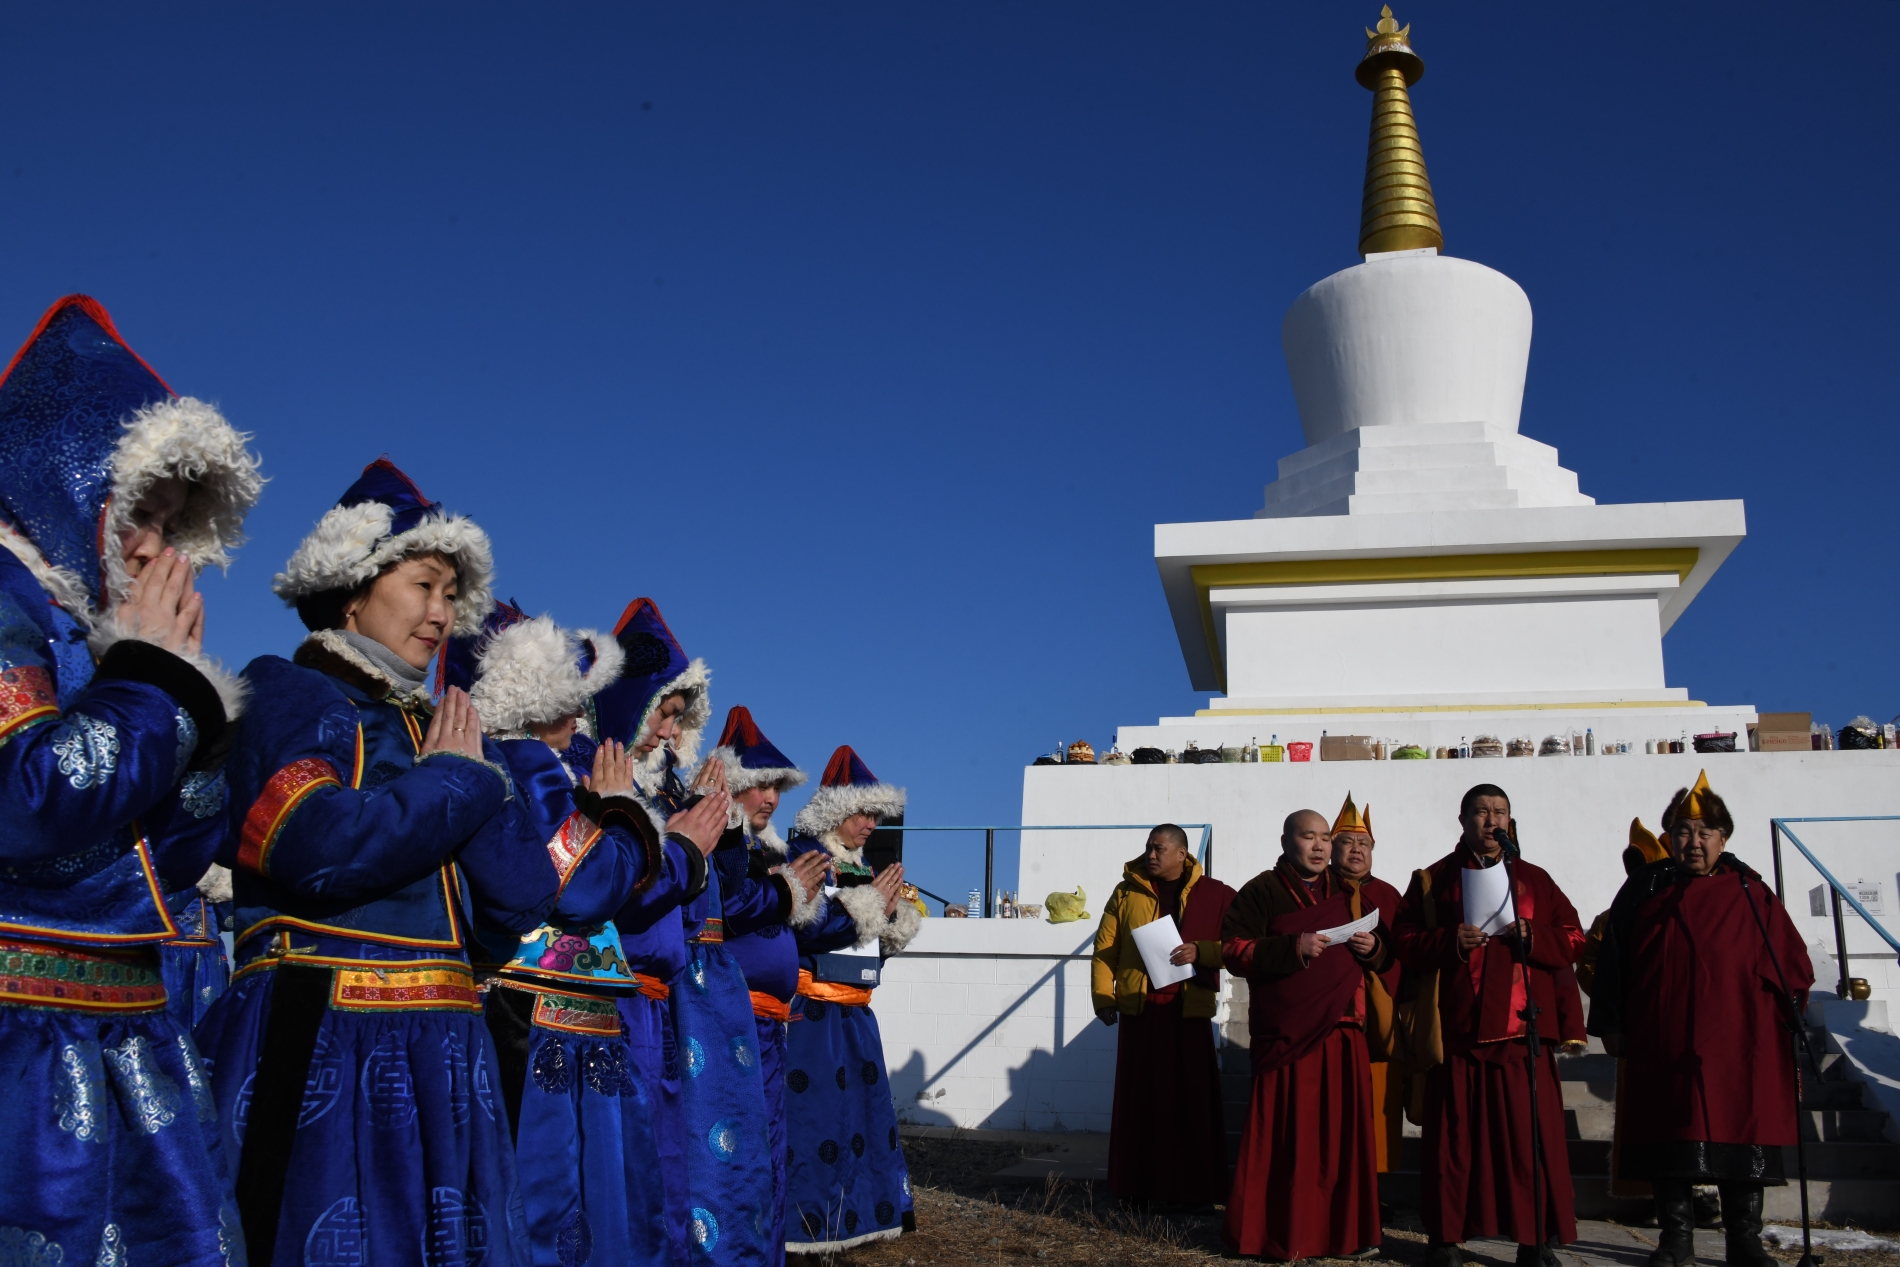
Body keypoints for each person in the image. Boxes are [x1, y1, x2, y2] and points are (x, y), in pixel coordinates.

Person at [200, 457, 561, 1267]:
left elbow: (526, 896)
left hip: (444, 1046)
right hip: (323, 1031)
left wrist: (468, 779)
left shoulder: (440, 730)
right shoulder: (289, 692)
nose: (442, 614)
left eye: (450, 596)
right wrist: (456, 785)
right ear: (352, 588)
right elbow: (316, 848)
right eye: (424, 585)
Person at [0, 294, 263, 1263]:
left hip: (130, 1037)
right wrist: (155, 686)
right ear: (69, 486)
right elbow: (24, 799)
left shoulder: (110, 643)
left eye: (169, 525)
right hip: (19, 1053)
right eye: (139, 514)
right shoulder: (3, 596)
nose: (155, 548)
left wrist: (188, 704)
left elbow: (182, 856)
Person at [440, 600, 681, 1266]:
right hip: (541, 1010)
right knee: (562, 1187)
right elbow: (582, 887)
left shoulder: (513, 761)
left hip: (548, 1005)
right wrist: (626, 815)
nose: (581, 715)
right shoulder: (532, 763)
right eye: (571, 698)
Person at [594, 597, 776, 1263]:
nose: (669, 730)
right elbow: (615, 890)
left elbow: (715, 897)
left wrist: (717, 832)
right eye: (661, 711)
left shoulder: (669, 793)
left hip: (682, 1007)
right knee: (651, 1170)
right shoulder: (605, 783)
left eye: (678, 717)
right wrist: (677, 840)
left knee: (701, 1160)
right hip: (628, 1007)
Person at [1588, 772, 1814, 1267]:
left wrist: (1788, 1013)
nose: (1693, 842)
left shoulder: (1752, 891)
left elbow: (1790, 962)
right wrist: (1611, 1020)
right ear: (1668, 838)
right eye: (1682, 832)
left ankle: (1745, 1240)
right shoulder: (1644, 890)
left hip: (1740, 1036)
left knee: (1744, 1130)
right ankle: (1676, 1241)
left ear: (1723, 838)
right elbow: (1614, 960)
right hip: (1664, 1032)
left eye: (1704, 833)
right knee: (1670, 1134)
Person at [1393, 784, 1586, 1267]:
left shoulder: (1535, 879)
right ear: (1462, 820)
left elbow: (1574, 937)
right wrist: (1447, 940)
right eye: (1481, 812)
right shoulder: (1433, 880)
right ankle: (1447, 1239)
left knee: (1528, 1139)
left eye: (1499, 812)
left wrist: (1534, 935)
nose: (1491, 820)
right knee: (1453, 1142)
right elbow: (1404, 939)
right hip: (1458, 1030)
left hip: (1523, 1033)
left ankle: (1534, 1240)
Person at [1220, 808, 1390, 1260]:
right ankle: (1282, 1234)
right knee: (1289, 1140)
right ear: (1286, 842)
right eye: (1307, 837)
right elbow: (1234, 950)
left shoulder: (1351, 894)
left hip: (1343, 1026)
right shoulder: (1261, 891)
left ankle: (1345, 1235)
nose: (1318, 847)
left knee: (1342, 1140)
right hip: (1289, 1032)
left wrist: (1375, 949)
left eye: (1324, 839)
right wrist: (1292, 946)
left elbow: (1386, 951)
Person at [783, 746, 921, 1254]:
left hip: (853, 1015)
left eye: (877, 817)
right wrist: (871, 907)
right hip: (811, 1017)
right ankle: (804, 1230)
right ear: (837, 811)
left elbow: (865, 943)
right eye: (864, 814)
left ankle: (853, 1221)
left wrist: (891, 919)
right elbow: (809, 927)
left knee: (857, 1121)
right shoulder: (805, 856)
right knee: (815, 1121)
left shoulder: (859, 866)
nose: (870, 826)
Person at [710, 706, 832, 1265]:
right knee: (736, 1151)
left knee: (769, 1148)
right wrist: (784, 893)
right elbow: (731, 907)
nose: (771, 799)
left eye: (777, 788)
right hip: (729, 1022)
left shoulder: (767, 852)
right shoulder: (718, 844)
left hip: (767, 1025)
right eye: (760, 786)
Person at [1091, 823, 1235, 1208]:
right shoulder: (1126, 891)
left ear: (1182, 854)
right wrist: (1104, 997)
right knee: (1140, 1100)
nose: (1150, 855)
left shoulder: (1214, 894)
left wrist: (1202, 952)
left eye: (1158, 848)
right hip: (1142, 1008)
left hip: (1188, 1010)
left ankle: (1197, 1189)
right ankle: (1136, 1186)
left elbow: (1240, 943)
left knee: (1193, 1101)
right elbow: (1105, 947)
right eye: (1148, 848)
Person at [1329, 793, 1407, 1173]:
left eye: (1364, 844)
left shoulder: (1388, 896)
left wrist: (1377, 952)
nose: (1356, 850)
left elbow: (1406, 953)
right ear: (1331, 848)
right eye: (1346, 842)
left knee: (1376, 1101)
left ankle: (1372, 1187)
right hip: (1330, 1013)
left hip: (1375, 1016)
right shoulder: (1316, 891)